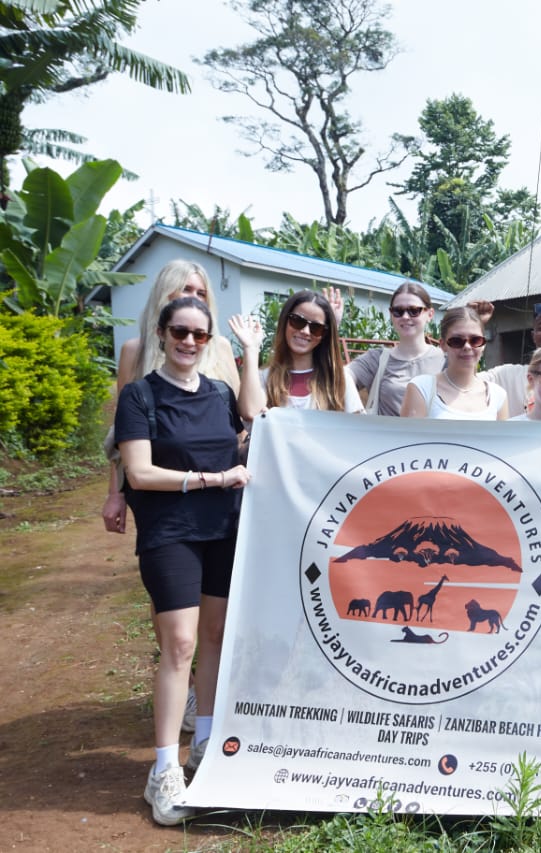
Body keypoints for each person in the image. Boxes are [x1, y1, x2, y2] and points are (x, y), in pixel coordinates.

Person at [114, 296, 250, 824]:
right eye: (180, 331)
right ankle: (165, 770)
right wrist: (212, 480)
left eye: (199, 333)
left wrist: (251, 351)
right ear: (162, 332)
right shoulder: (139, 396)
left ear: (210, 338)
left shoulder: (219, 392)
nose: (189, 342)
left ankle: (208, 749)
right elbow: (140, 474)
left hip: (223, 530)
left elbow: (253, 423)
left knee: (214, 638)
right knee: (181, 644)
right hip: (170, 532)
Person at [103, 260, 239, 535]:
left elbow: (241, 423)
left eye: (201, 293)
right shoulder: (135, 351)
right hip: (160, 497)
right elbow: (123, 435)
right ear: (165, 293)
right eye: (185, 289)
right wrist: (115, 494)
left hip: (220, 494)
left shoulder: (220, 348)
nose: (193, 297)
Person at [230, 290, 363, 419]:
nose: (305, 331)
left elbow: (358, 429)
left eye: (316, 328)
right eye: (298, 321)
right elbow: (250, 413)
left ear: (324, 335)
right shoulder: (265, 377)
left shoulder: (338, 378)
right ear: (284, 321)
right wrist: (251, 348)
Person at [346, 281, 445, 416]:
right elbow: (342, 375)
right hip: (386, 436)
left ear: (430, 314)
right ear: (391, 315)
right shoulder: (377, 359)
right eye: (398, 311)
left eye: (414, 311)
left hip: (432, 436)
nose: (405, 317)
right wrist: (357, 410)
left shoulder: (445, 360)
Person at [402, 305, 509, 420]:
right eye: (457, 341)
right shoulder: (422, 388)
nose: (467, 347)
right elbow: (410, 437)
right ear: (443, 345)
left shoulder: (498, 396)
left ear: (483, 344)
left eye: (475, 340)